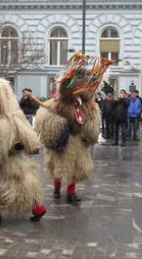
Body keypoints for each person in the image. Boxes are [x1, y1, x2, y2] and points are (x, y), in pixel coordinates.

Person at [0, 75, 46, 223]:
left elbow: (29, 139)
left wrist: (18, 144)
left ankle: (38, 209)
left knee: (22, 187)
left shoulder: (14, 117)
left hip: (12, 162)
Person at [35, 61, 102, 204]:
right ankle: (57, 188)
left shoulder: (86, 105)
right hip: (62, 141)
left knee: (75, 166)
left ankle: (71, 192)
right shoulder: (57, 103)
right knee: (59, 165)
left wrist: (90, 129)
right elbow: (46, 117)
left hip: (77, 141)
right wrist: (58, 126)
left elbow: (91, 120)